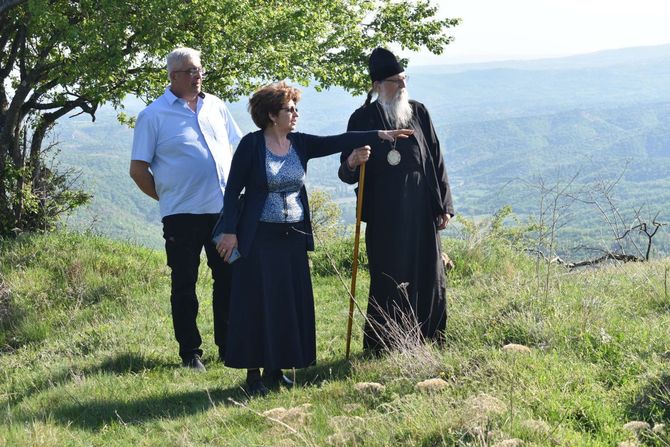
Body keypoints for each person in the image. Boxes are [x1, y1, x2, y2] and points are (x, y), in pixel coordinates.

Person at [215, 81, 412, 396]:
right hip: (260, 237)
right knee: (257, 304)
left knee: (285, 303)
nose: (295, 114)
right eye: (289, 109)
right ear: (270, 115)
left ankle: (276, 370)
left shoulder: (299, 143)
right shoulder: (252, 146)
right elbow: (232, 190)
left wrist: (380, 135)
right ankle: (254, 377)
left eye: (295, 108)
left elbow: (338, 140)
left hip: (292, 236)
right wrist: (229, 231)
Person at [129, 47, 243, 371]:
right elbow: (138, 170)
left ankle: (229, 345)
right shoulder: (153, 116)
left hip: (223, 212)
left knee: (229, 279)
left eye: (199, 70)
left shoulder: (216, 107)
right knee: (184, 284)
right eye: (191, 71)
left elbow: (234, 149)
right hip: (181, 217)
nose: (198, 76)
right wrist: (168, 200)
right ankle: (191, 353)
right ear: (173, 76)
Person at [338, 47, 455, 354]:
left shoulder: (419, 112)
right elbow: (346, 173)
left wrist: (444, 205)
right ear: (377, 85)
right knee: (389, 276)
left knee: (428, 273)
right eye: (395, 81)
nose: (402, 86)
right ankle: (387, 343)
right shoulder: (362, 118)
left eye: (404, 79)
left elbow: (436, 159)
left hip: (422, 210)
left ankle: (431, 338)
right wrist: (352, 160)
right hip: (385, 214)